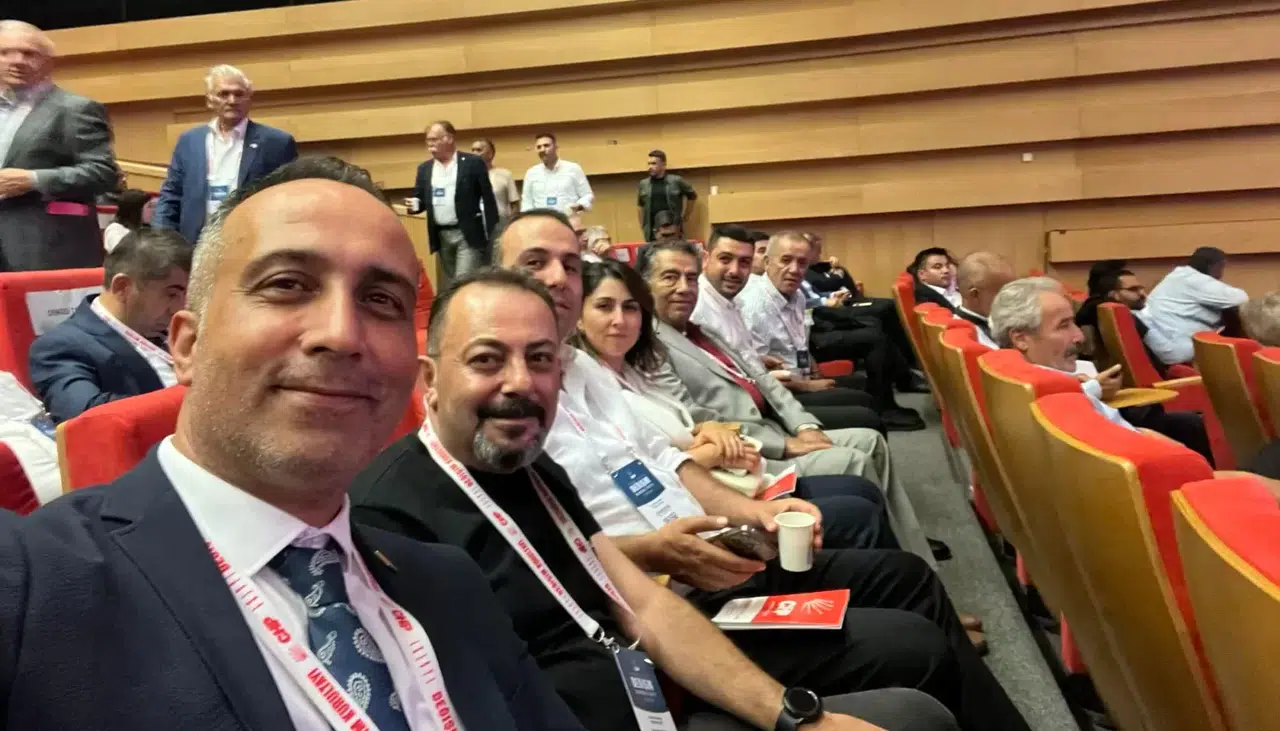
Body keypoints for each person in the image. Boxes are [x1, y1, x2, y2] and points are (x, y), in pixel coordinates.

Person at [0, 156, 585, 731]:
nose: (341, 334)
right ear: (187, 345)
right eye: (287, 285)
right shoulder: (32, 584)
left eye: (380, 300)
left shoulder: (450, 585)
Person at [350, 265, 1024, 731]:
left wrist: (793, 715)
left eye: (541, 358)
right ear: (430, 380)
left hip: (657, 681)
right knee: (916, 706)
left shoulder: (532, 466)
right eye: (487, 359)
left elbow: (641, 605)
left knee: (912, 672)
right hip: (633, 708)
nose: (521, 382)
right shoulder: (391, 517)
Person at [641, 240, 937, 565]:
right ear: (643, 285)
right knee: (855, 460)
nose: (684, 288)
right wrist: (783, 444)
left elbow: (763, 379)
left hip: (772, 425)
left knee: (872, 441)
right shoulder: (652, 345)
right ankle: (895, 561)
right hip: (749, 454)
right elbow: (694, 418)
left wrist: (804, 425)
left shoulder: (704, 331)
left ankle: (911, 546)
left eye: (691, 278)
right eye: (670, 277)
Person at [574, 257, 898, 549]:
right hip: (703, 497)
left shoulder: (638, 367)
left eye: (630, 308)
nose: (620, 319)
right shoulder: (604, 380)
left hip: (733, 466)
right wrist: (721, 446)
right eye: (604, 307)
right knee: (859, 504)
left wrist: (712, 430)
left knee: (863, 484)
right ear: (577, 316)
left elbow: (751, 382)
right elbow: (642, 469)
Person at [991, 277, 1214, 464]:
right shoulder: (1060, 401)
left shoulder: (1014, 382)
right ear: (1020, 338)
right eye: (1063, 325)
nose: (1079, 336)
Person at [739, 231, 924, 431]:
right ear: (767, 262)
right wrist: (807, 386)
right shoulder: (754, 307)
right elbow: (758, 376)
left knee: (866, 393)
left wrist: (814, 371)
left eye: (802, 263)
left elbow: (797, 343)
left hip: (801, 377)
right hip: (778, 396)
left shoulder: (796, 296)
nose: (794, 269)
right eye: (785, 260)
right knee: (868, 414)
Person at [29, 228, 190, 423]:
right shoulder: (60, 347)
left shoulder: (180, 328)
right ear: (123, 287)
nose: (179, 307)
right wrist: (194, 401)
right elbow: (87, 416)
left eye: (186, 295)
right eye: (172, 294)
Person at [0, 20, 119, 271]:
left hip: (46, 247)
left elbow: (103, 172)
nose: (17, 61)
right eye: (5, 52)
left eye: (29, 54)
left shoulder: (76, 109)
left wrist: (33, 180)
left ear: (48, 62)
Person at [154, 64, 298, 246]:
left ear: (249, 99)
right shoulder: (189, 141)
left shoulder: (277, 143)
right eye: (224, 94)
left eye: (239, 94)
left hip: (253, 243)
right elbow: (171, 195)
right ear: (210, 100)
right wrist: (161, 243)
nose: (232, 100)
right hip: (195, 245)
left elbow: (289, 199)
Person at [406, 120, 498, 285]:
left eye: (434, 139)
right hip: (441, 236)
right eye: (428, 140)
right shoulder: (424, 168)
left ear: (449, 138)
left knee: (462, 282)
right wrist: (415, 205)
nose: (430, 144)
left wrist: (493, 235)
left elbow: (488, 199)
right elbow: (420, 199)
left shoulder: (472, 163)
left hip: (467, 234)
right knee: (451, 283)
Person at [1139, 246, 1249, 365]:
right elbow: (1240, 298)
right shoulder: (1194, 280)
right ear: (1214, 266)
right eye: (1222, 267)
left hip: (1162, 341)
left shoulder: (1178, 276)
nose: (1221, 274)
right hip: (1178, 348)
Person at [1074, 268, 1178, 375]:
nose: (1142, 294)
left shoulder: (1095, 309)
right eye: (1133, 289)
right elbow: (1169, 355)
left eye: (1141, 288)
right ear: (1113, 295)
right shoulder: (1127, 319)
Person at [952, 251, 1017, 349]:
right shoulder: (971, 340)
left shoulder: (988, 319)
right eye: (1002, 294)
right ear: (974, 294)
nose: (1010, 299)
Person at [521, 131, 593, 215]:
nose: (542, 150)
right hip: (542, 221)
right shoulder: (531, 173)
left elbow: (587, 195)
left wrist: (579, 206)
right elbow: (526, 202)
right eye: (539, 147)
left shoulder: (573, 168)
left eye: (546, 145)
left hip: (568, 220)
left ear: (556, 147)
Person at [638, 149, 697, 242]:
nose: (650, 167)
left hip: (673, 230)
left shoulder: (676, 181)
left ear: (663, 165)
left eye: (653, 164)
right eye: (648, 164)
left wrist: (686, 216)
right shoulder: (643, 184)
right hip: (652, 232)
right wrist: (643, 224)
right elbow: (640, 205)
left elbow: (692, 196)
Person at [471, 137, 519, 220]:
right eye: (473, 150)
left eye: (479, 150)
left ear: (490, 154)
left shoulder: (505, 174)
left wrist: (511, 223)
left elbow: (515, 205)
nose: (474, 154)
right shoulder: (466, 176)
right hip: (475, 223)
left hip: (500, 222)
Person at [102, 188, 155, 253]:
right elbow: (123, 251)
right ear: (136, 210)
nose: (154, 210)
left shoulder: (144, 228)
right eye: (150, 206)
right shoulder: (114, 229)